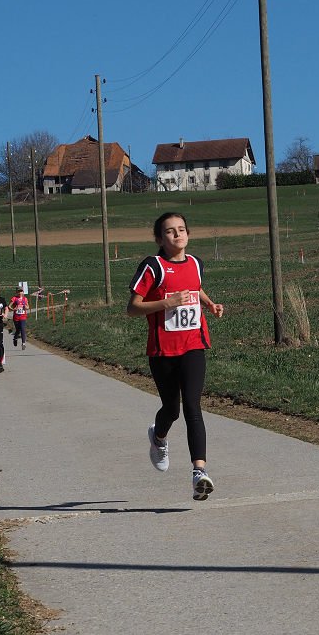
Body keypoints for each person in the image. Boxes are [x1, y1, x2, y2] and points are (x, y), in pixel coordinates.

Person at [127, 212, 224, 500]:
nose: (177, 234)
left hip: (193, 344)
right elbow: (133, 308)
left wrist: (210, 304)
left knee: (193, 406)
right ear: (159, 239)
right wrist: (166, 302)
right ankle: (158, 438)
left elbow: (195, 287)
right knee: (172, 409)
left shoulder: (196, 263)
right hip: (163, 351)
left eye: (181, 229)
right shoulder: (153, 266)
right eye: (170, 231)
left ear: (188, 235)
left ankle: (199, 473)